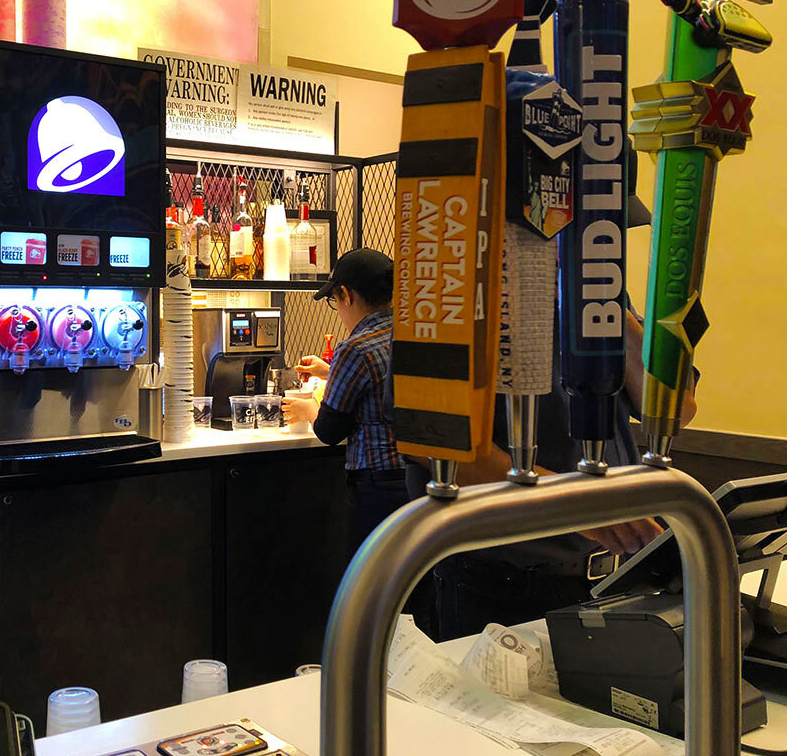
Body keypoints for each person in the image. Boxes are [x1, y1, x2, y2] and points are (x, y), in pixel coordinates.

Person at [407, 179, 699, 641]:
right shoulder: (462, 302)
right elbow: (444, 453)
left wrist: (610, 304)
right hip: (506, 581)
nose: (606, 245)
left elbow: (677, 409)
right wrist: (575, 503)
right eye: (592, 232)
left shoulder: (606, 307)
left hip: (610, 577)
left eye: (613, 234)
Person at [282, 248, 410, 559]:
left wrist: (307, 410)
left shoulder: (355, 347)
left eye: (334, 301)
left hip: (376, 485)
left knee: (374, 581)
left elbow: (329, 430)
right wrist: (330, 371)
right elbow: (387, 379)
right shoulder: (407, 330)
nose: (337, 309)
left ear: (346, 294)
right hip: (414, 478)